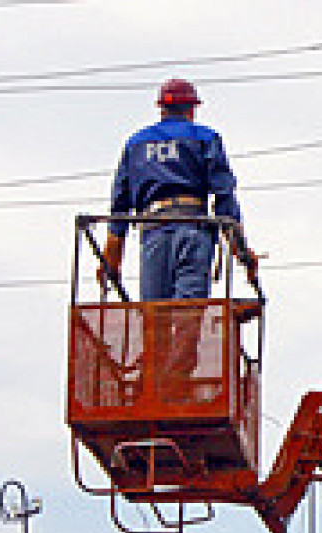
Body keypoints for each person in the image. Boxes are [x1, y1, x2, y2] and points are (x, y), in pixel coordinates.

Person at [97, 78, 259, 388]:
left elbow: (119, 208)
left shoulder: (136, 143)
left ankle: (154, 382)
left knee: (155, 314)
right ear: (191, 110)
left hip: (153, 233)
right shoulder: (205, 138)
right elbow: (224, 199)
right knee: (188, 311)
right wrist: (241, 252)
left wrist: (111, 261)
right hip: (194, 229)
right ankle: (177, 382)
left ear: (162, 109)